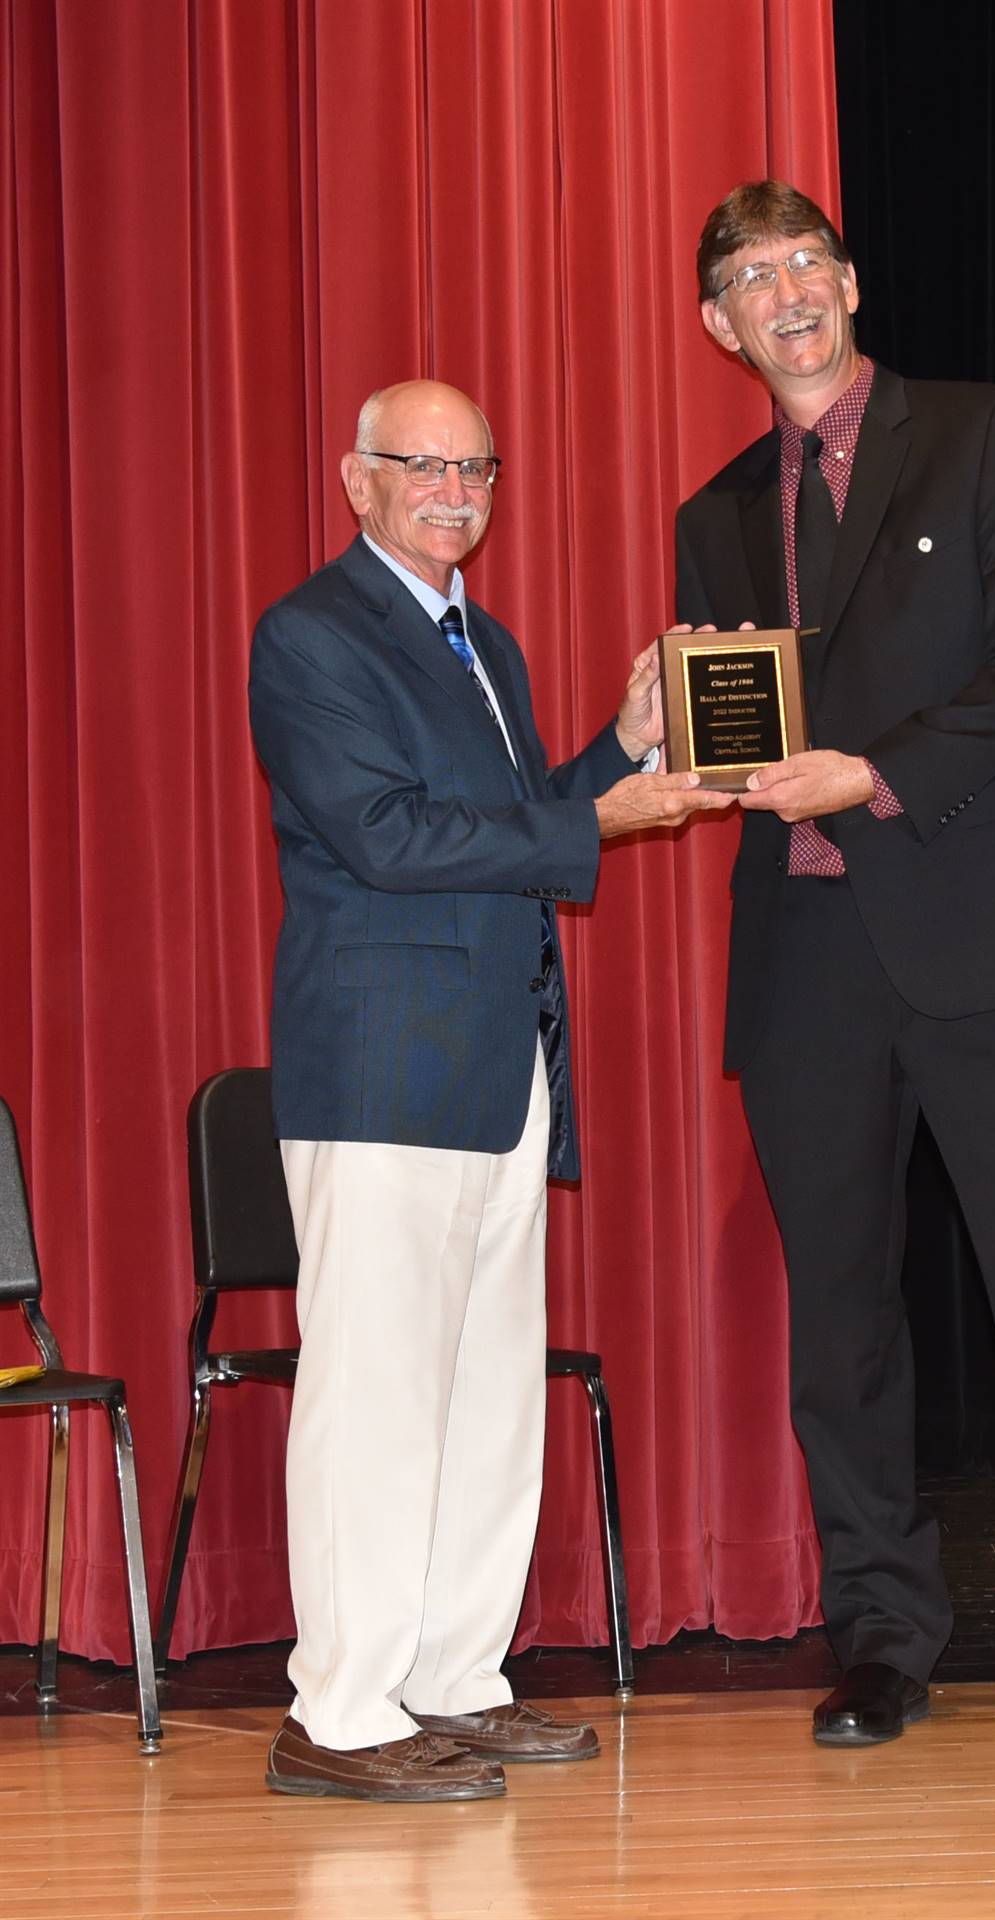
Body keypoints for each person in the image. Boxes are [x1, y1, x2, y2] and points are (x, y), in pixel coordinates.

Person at [675, 182, 995, 1746]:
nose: (786, 294)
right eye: (751, 280)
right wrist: (690, 740)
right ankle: (887, 1638)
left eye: (805, 262)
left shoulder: (984, 432)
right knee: (841, 1327)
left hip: (990, 933)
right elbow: (739, 737)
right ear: (719, 328)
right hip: (807, 959)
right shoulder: (712, 518)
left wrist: (872, 771)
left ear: (849, 278)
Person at [249, 378, 728, 1802]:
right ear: (357, 479)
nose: (455, 492)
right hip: (383, 1062)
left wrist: (628, 747)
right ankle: (337, 1715)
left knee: (478, 1395)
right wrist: (597, 814)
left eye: (478, 469)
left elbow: (514, 834)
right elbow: (390, 839)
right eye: (424, 467)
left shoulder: (485, 642)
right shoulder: (312, 634)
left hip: (497, 1064)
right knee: (377, 1395)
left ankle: (454, 1681)